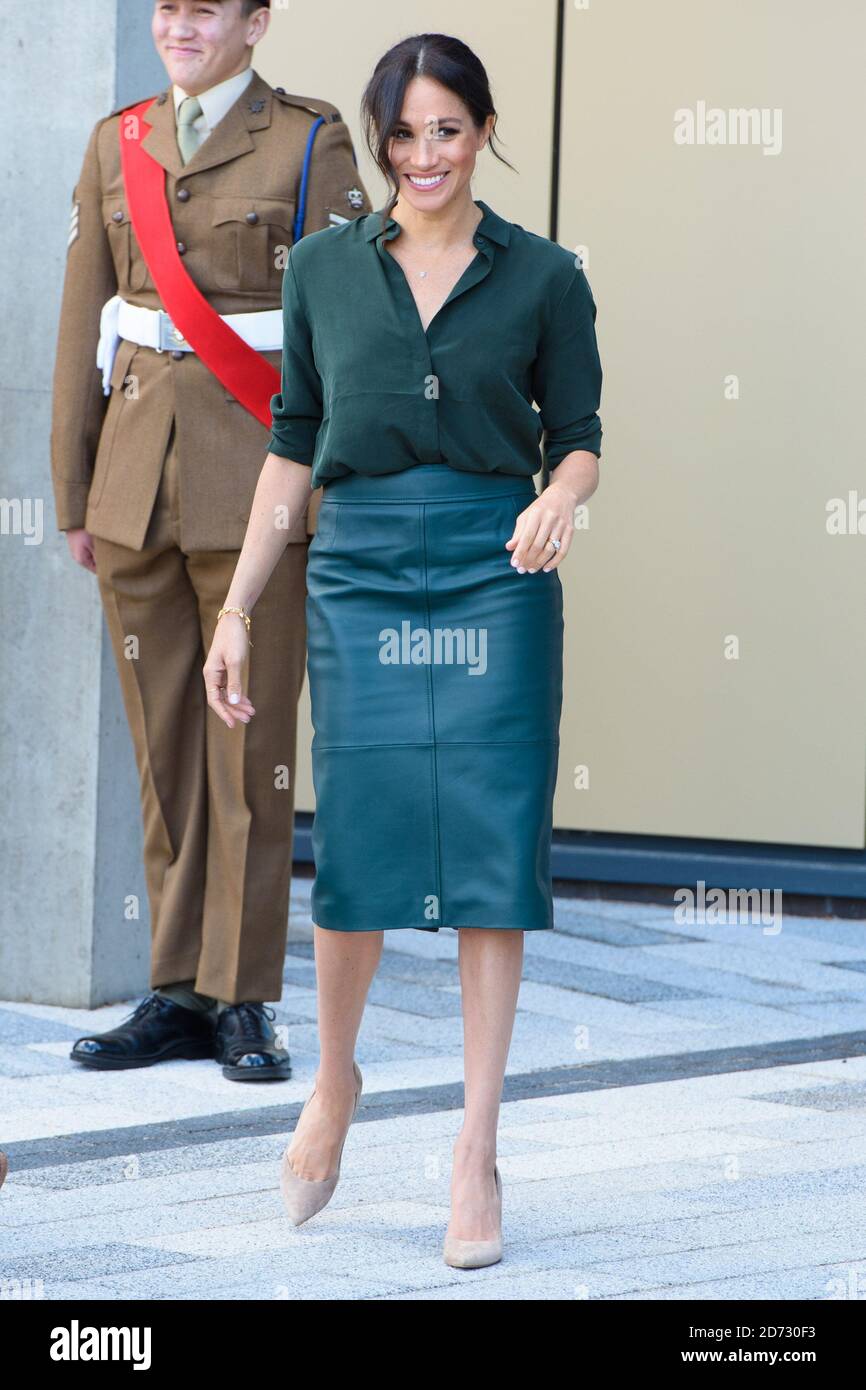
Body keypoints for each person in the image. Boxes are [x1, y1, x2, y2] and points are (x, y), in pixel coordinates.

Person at [202, 32, 603, 1265]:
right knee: (363, 840)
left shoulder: (543, 276)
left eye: (447, 128)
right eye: (403, 131)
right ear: (377, 140)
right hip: (361, 568)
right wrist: (236, 605)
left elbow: (580, 431)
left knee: (492, 849)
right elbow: (293, 442)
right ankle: (335, 1080)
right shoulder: (324, 268)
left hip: (497, 569)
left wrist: (559, 498)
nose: (423, 154)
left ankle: (475, 1148)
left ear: (482, 132)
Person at [50, 0, 372, 1080]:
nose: (180, 28)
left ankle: (242, 996)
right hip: (135, 482)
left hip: (258, 491)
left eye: (206, 10)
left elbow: (349, 328)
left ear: (255, 22)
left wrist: (337, 487)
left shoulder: (309, 141)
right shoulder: (119, 140)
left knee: (249, 747)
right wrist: (72, 483)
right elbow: (83, 315)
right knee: (164, 748)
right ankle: (175, 989)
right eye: (168, 9)